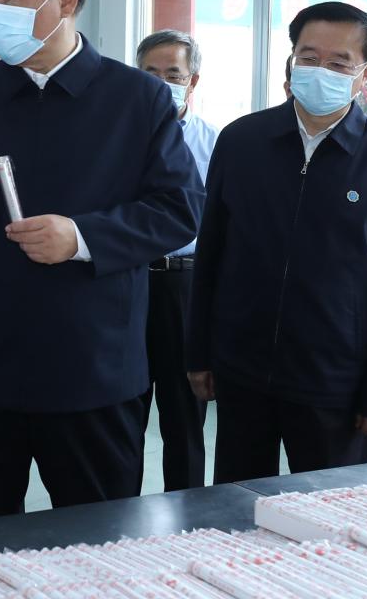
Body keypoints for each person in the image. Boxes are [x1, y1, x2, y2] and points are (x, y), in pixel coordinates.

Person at [0, 0, 204, 521]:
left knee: (98, 541)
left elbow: (179, 209)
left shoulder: (138, 98)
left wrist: (82, 237)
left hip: (93, 370)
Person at [187, 1, 367, 484]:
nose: (321, 71)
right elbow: (210, 256)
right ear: (291, 60)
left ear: (366, 72)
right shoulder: (241, 142)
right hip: (242, 369)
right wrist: (199, 354)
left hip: (334, 382)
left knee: (330, 522)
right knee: (235, 510)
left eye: (339, 63)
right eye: (309, 57)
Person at [135, 29, 218, 492]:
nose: (163, 82)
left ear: (193, 80)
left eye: (174, 74)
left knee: (185, 416)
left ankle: (187, 521)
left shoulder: (217, 143)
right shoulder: (119, 138)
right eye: (151, 73)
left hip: (185, 287)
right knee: (122, 412)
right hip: (128, 282)